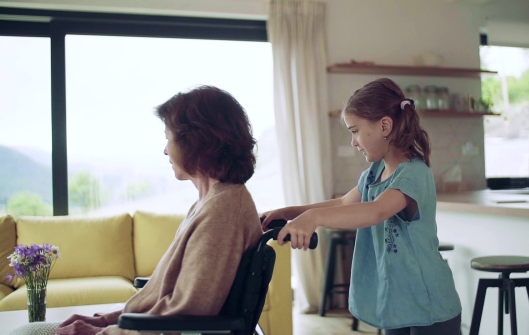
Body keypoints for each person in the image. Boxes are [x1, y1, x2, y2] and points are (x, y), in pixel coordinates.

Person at [10, 85, 264, 335]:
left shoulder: (222, 215)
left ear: (195, 141)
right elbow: (169, 296)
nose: (165, 149)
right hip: (136, 327)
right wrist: (104, 321)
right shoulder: (211, 203)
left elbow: (189, 312)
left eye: (168, 137)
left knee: (24, 333)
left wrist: (98, 333)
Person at [260, 78, 462, 334]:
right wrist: (289, 213)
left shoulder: (414, 173)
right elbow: (343, 203)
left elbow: (376, 210)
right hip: (397, 303)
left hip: (430, 303)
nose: (353, 141)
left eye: (355, 131)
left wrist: (314, 218)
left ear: (385, 126)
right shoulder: (374, 173)